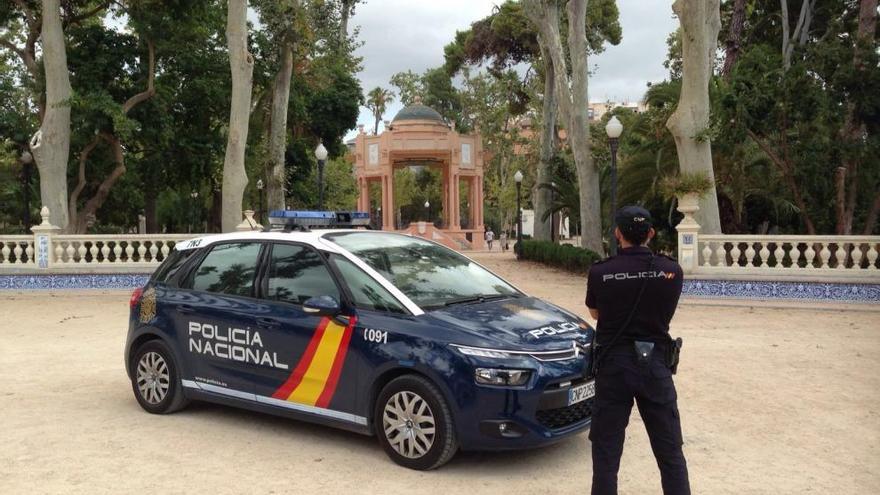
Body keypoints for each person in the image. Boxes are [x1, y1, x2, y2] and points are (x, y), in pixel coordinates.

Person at [585, 205, 689, 495]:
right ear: (651, 234)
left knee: (606, 454)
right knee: (670, 452)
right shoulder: (672, 271)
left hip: (614, 366)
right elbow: (663, 312)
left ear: (618, 233)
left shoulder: (601, 272)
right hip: (655, 365)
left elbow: (595, 313)